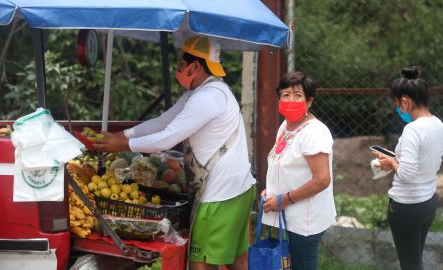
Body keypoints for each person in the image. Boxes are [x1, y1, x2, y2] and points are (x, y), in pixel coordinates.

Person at [93, 35, 256, 270]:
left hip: (220, 194)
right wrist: (124, 135)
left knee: (201, 263)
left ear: (195, 66)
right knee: (236, 262)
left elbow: (166, 138)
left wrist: (122, 145)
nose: (177, 69)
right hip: (238, 189)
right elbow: (162, 122)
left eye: (181, 64)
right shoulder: (204, 92)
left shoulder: (208, 98)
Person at [261, 71, 336, 270]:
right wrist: (272, 191)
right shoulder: (286, 126)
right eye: (285, 95)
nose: (290, 100)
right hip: (288, 216)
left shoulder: (314, 132)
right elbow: (284, 164)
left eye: (297, 95)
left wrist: (284, 199)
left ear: (309, 101)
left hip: (305, 221)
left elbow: (321, 179)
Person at [374, 66, 443, 270]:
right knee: (415, 261)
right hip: (428, 202)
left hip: (407, 205)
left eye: (398, 104)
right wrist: (395, 159)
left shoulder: (412, 130)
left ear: (405, 101)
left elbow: (406, 173)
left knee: (410, 265)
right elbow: (432, 162)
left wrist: (390, 163)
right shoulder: (438, 124)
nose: (398, 108)